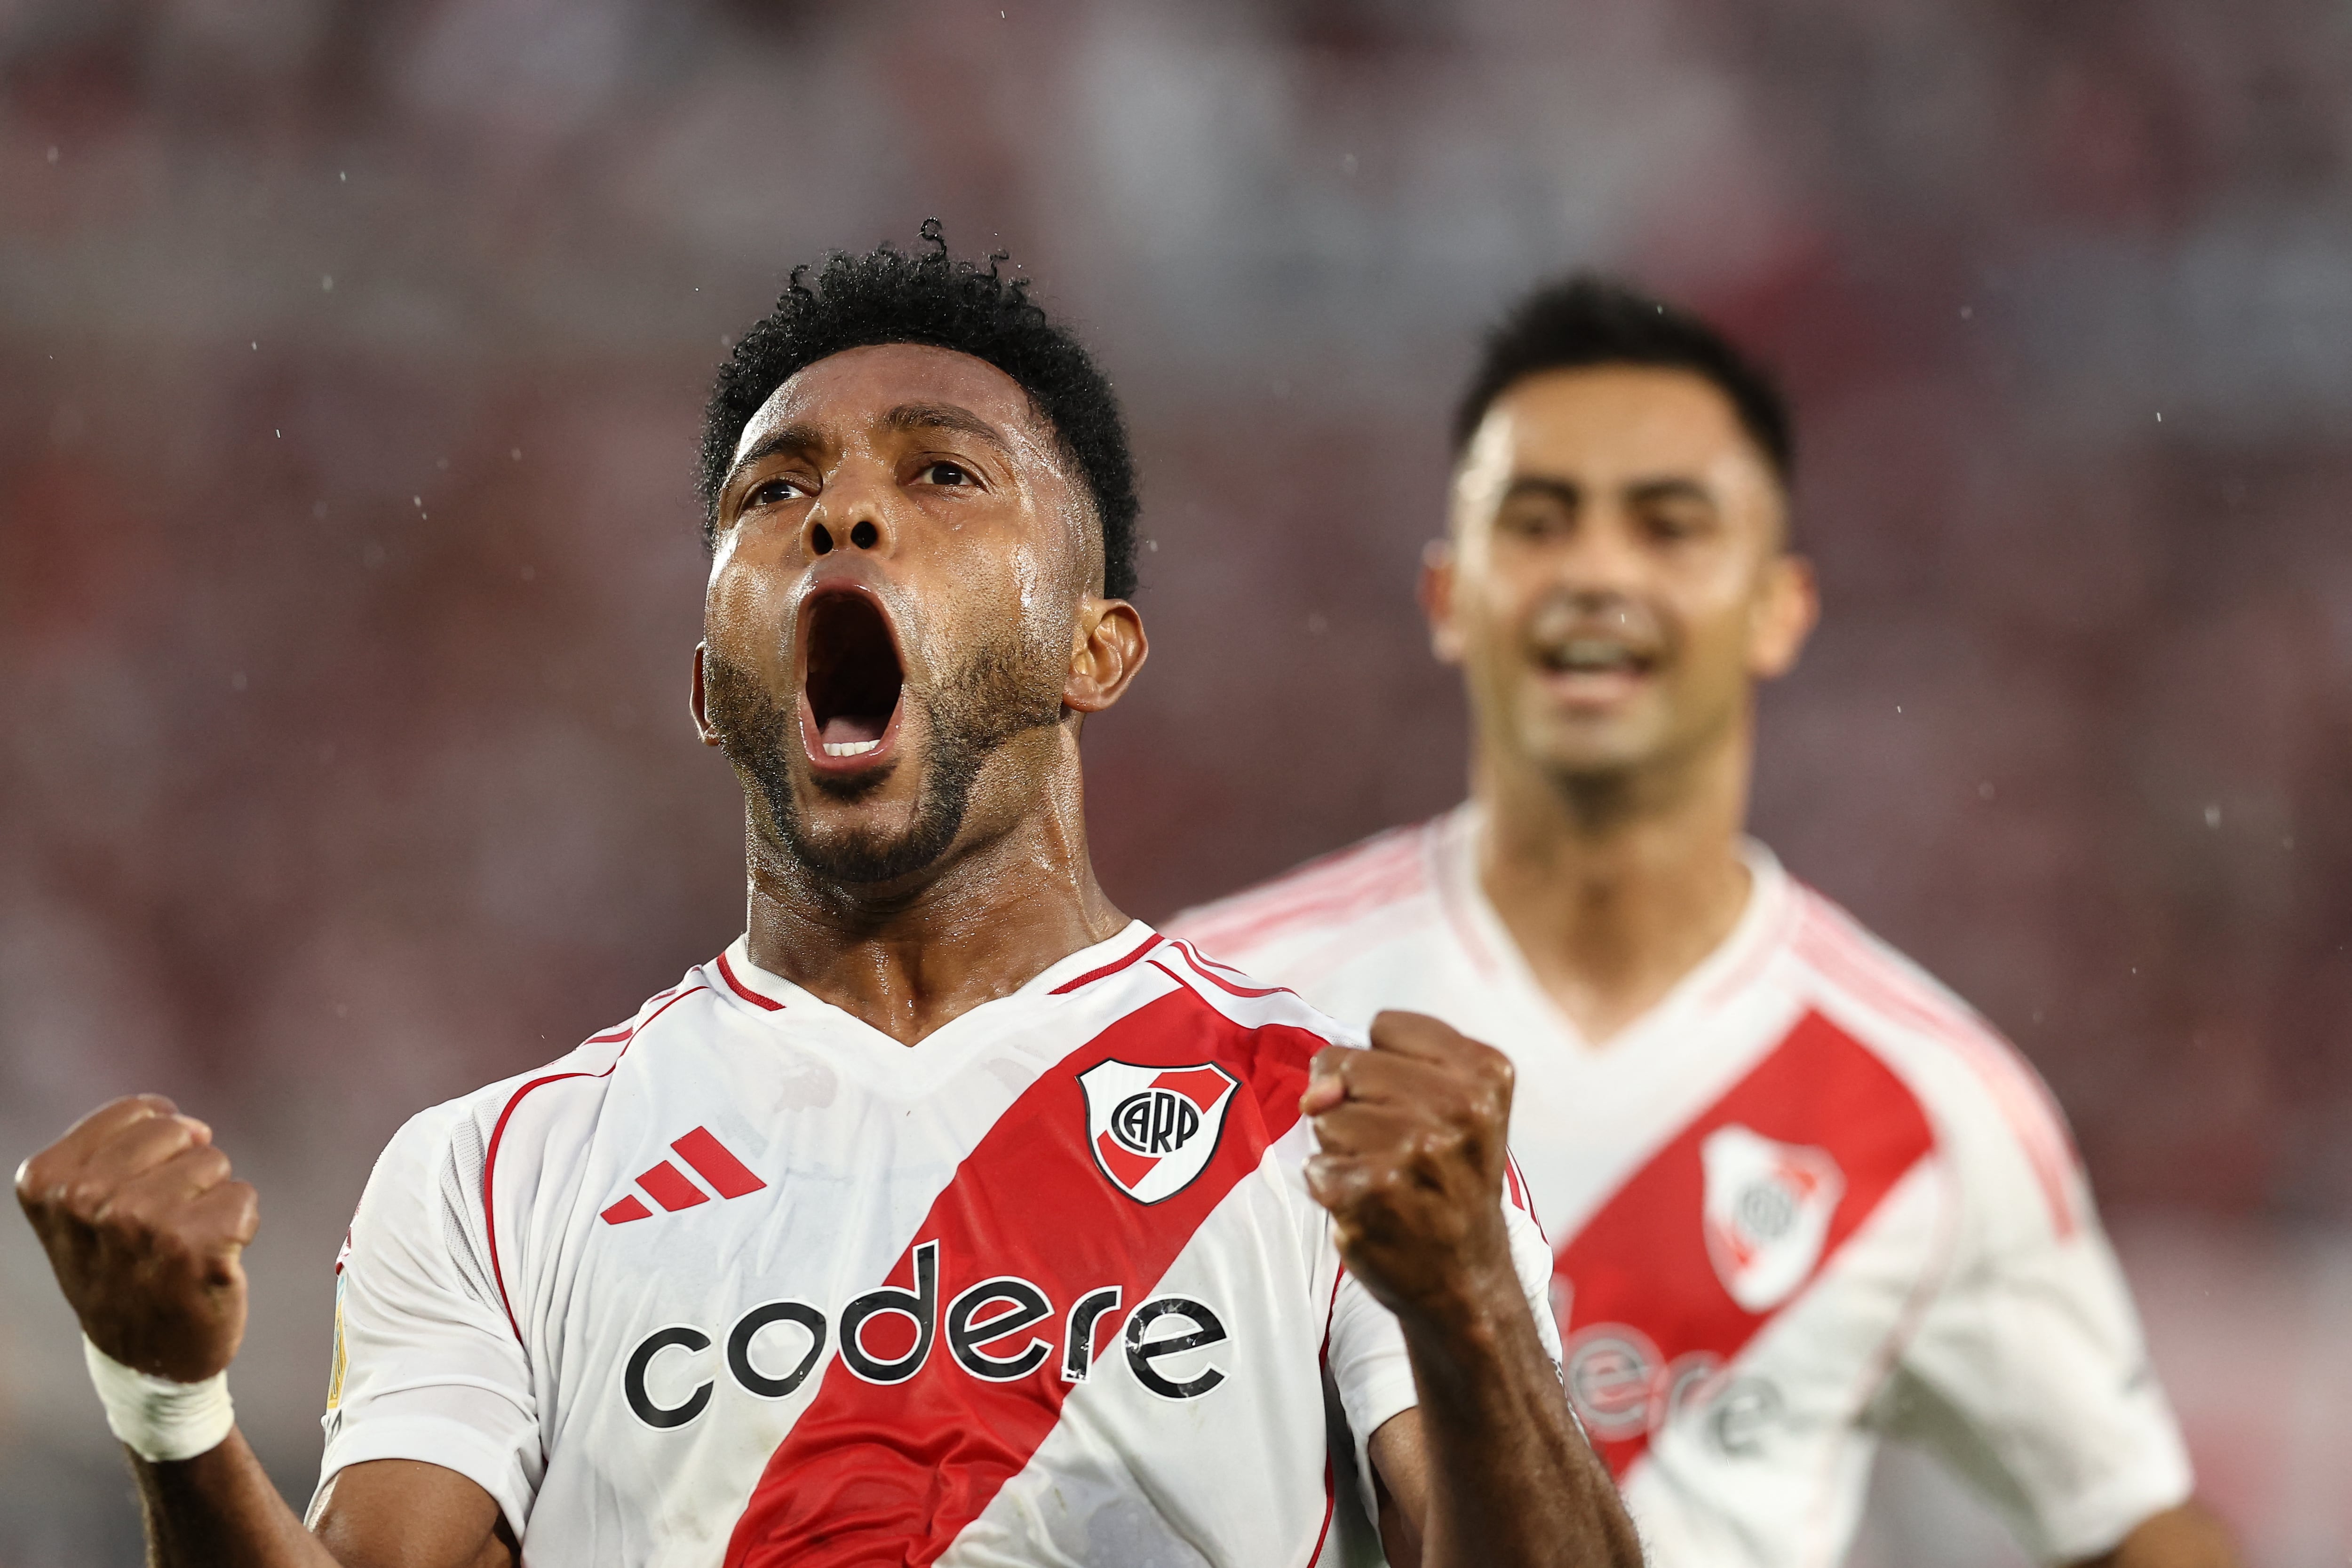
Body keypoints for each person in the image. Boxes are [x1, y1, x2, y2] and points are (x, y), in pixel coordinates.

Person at [13, 230, 1640, 1568]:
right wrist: (170, 1410)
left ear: (1095, 650)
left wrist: (1469, 1310)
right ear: (709, 685)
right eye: (773, 492)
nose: (843, 513)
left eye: (945, 474)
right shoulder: (497, 1177)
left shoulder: (1331, 1135)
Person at [1171, 277, 2238, 1568]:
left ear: (1779, 605)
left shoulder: (1929, 1105)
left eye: (1668, 525)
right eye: (1539, 521)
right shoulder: (1229, 1009)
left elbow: (2131, 1523)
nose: (1597, 573)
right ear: (1449, 595)